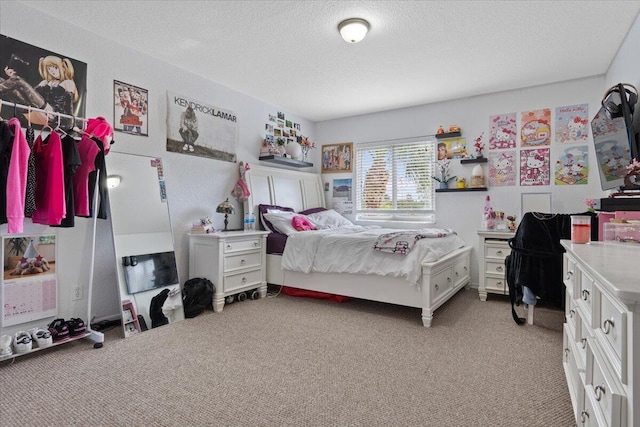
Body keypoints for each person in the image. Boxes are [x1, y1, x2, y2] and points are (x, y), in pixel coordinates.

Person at [35, 55, 78, 126]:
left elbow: (69, 106)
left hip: (57, 115)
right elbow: (34, 94)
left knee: (21, 85)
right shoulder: (46, 82)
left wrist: (72, 124)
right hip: (44, 111)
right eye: (49, 68)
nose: (52, 71)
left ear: (63, 68)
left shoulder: (67, 83)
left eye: (55, 68)